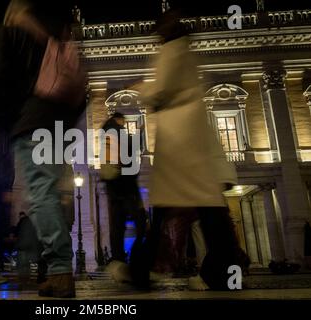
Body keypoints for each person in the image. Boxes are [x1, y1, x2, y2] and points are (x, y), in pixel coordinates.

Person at [0, 0, 85, 298]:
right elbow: (79, 92)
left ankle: (60, 269)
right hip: (59, 126)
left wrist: (6, 116)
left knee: (39, 195)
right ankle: (58, 266)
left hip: (32, 123)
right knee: (49, 193)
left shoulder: (9, 33)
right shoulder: (58, 38)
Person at [141, 8, 248, 291]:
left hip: (180, 144)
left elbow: (160, 91)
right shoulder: (186, 51)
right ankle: (223, 270)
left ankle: (143, 268)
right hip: (193, 144)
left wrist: (141, 90)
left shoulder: (171, 51)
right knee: (206, 210)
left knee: (178, 210)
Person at [100, 112, 149, 288]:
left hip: (113, 183)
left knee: (117, 224)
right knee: (140, 221)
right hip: (125, 181)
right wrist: (139, 133)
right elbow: (131, 148)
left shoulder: (105, 131)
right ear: (120, 120)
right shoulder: (116, 130)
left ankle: (118, 261)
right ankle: (138, 263)